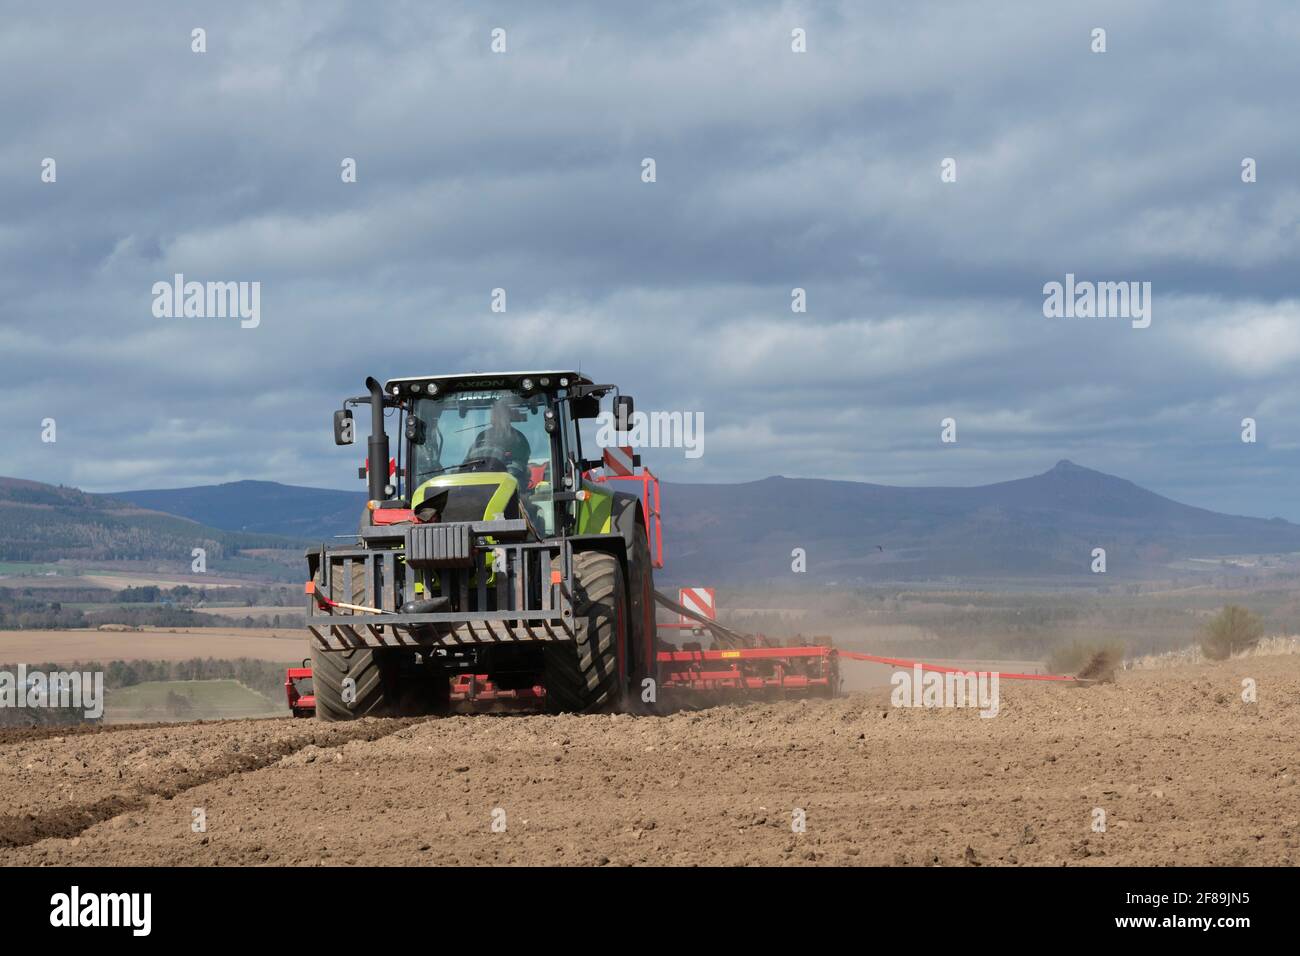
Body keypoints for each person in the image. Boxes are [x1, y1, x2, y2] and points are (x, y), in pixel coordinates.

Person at [466, 397, 531, 487]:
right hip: (479, 485)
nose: (493, 416)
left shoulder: (518, 439)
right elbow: (469, 461)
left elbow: (518, 466)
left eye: (498, 413)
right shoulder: (482, 436)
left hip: (507, 486)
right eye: (493, 412)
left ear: (507, 416)